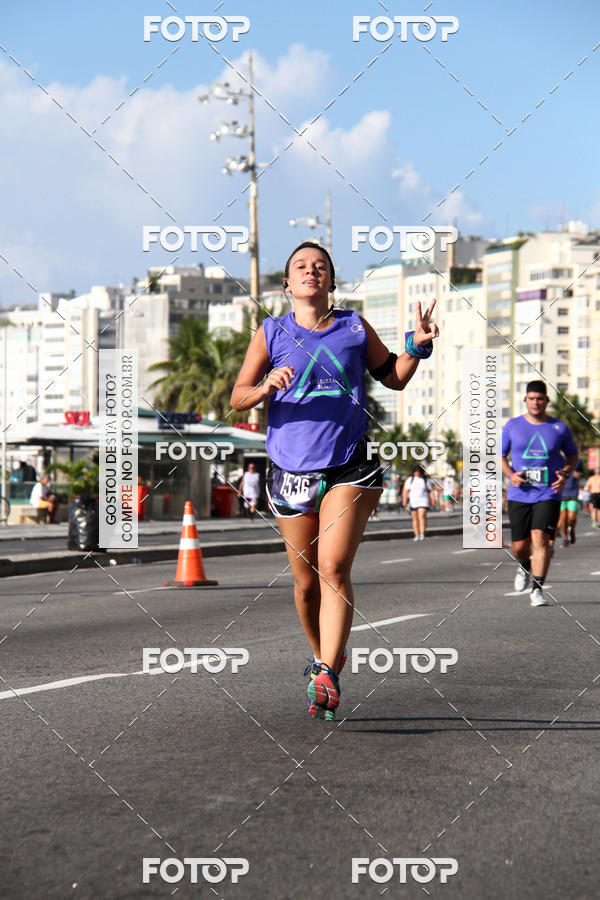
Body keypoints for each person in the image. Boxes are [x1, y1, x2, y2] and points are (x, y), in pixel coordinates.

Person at [230, 241, 439, 720]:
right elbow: (238, 396)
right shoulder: (271, 332)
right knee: (305, 586)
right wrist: (264, 387)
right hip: (289, 470)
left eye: (320, 266)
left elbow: (393, 376)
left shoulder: (352, 326)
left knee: (334, 567)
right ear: (287, 283)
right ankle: (326, 657)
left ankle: (325, 670)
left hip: (350, 465)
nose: (311, 271)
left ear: (331, 280)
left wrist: (416, 347)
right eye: (301, 265)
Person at [501, 381, 579, 607]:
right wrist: (510, 475)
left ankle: (537, 589)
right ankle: (524, 564)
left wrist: (564, 474)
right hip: (519, 493)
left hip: (548, 492)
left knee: (541, 538)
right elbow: (500, 456)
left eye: (540, 398)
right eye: (532, 398)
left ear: (546, 401)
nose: (536, 402)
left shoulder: (559, 428)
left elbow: (573, 456)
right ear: (525, 400)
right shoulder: (513, 426)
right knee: (519, 546)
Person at [402, 465, 435, 540]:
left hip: (423, 500)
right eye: (415, 471)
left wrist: (432, 500)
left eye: (418, 472)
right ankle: (416, 534)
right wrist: (404, 500)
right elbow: (405, 491)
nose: (417, 473)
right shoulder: (410, 480)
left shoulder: (426, 480)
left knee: (422, 516)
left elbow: (431, 491)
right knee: (415, 518)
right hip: (413, 501)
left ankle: (422, 534)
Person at [556, 458, 584, 547]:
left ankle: (572, 530)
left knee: (571, 517)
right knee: (563, 518)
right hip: (561, 493)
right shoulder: (557, 459)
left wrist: (579, 474)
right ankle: (565, 538)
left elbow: (583, 473)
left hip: (573, 493)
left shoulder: (578, 460)